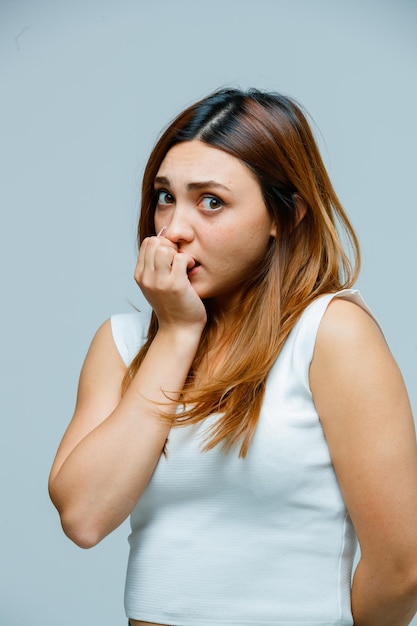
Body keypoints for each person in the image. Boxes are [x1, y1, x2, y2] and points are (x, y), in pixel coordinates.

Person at [48, 88, 417, 626]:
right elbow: (84, 517)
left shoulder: (331, 335)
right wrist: (176, 334)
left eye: (211, 201)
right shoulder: (122, 343)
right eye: (164, 196)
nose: (173, 228)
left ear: (283, 217)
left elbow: (402, 571)